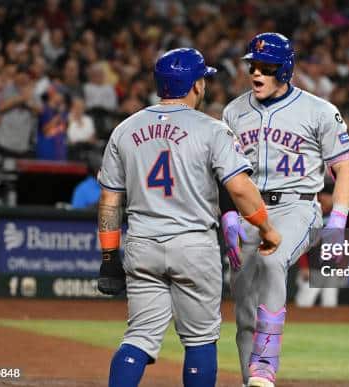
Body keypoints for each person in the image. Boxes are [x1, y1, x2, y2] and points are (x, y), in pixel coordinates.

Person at [97, 48, 281, 387]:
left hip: (143, 244)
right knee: (199, 340)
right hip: (193, 245)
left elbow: (110, 200)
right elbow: (240, 188)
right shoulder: (212, 130)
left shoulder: (125, 129)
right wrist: (266, 227)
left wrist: (109, 256)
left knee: (138, 336)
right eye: (203, 80)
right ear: (195, 85)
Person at [222, 32, 349, 387]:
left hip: (297, 206)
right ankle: (251, 381)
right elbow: (222, 171)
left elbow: (346, 167)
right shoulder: (233, 112)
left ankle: (266, 363)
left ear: (284, 70)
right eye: (253, 66)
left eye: (266, 68)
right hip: (249, 210)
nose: (256, 74)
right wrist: (228, 215)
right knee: (244, 308)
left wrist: (338, 221)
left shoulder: (319, 110)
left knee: (273, 258)